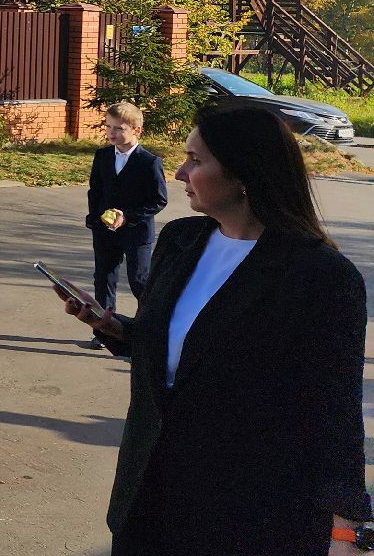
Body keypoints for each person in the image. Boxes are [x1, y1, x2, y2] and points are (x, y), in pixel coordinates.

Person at [55, 103, 370, 555]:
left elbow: (334, 409)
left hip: (249, 510)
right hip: (148, 496)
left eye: (195, 160)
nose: (180, 172)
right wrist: (113, 327)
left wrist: (347, 528)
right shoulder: (181, 240)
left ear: (244, 175)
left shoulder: (321, 276)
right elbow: (180, 350)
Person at [83, 102, 168, 349]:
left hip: (136, 233)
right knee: (104, 279)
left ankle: (148, 330)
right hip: (105, 232)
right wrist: (96, 216)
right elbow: (95, 191)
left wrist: (127, 216)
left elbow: (158, 200)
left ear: (136, 130)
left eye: (119, 128)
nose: (111, 133)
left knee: (139, 281)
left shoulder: (149, 162)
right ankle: (104, 331)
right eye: (108, 127)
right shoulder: (102, 156)